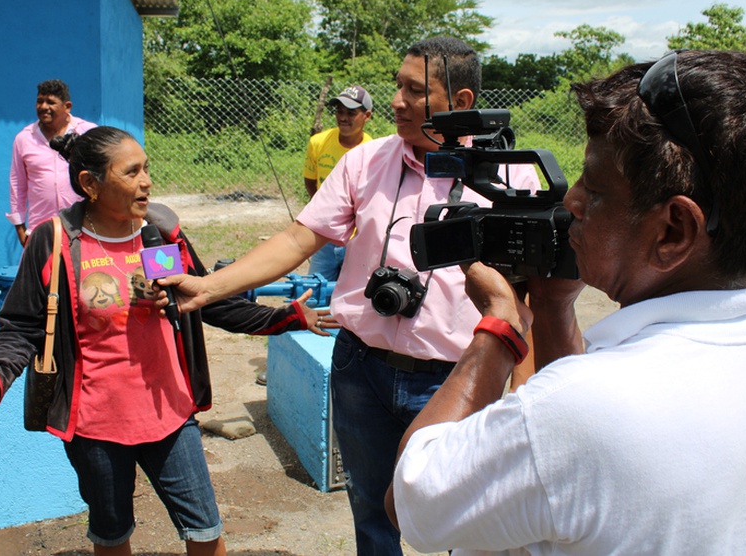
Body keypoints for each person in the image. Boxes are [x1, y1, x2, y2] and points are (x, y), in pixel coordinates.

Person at [157, 36, 557, 555]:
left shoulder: (510, 176)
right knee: (370, 509)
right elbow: (300, 238)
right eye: (397, 85)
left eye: (415, 90)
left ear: (459, 103)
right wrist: (207, 286)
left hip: (457, 375)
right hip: (360, 370)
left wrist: (522, 388)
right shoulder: (365, 162)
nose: (396, 101)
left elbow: (533, 298)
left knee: (464, 518)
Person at [385, 50, 746, 554]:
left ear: (674, 230)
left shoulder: (588, 409)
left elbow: (411, 504)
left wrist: (502, 325)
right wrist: (554, 307)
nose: (570, 202)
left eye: (596, 187)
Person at [0, 126, 327, 556]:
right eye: (132, 171)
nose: (147, 181)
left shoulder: (156, 234)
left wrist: (286, 318)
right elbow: (23, 325)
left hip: (170, 417)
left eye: (147, 169)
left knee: (205, 532)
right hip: (94, 427)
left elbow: (204, 300)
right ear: (90, 184)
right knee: (112, 535)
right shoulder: (58, 240)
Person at [7, 79, 97, 247]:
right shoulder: (24, 139)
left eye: (50, 102)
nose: (43, 107)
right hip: (40, 230)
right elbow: (17, 184)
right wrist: (20, 230)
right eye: (40, 101)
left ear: (67, 106)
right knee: (44, 274)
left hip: (82, 228)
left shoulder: (87, 133)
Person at [303, 85, 373, 281]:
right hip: (324, 236)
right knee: (314, 293)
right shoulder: (318, 142)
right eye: (339, 112)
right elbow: (310, 181)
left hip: (357, 241)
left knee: (352, 297)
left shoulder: (373, 151)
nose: (343, 118)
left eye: (351, 113)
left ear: (366, 116)